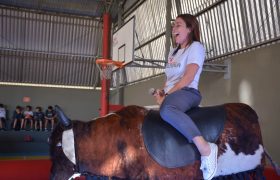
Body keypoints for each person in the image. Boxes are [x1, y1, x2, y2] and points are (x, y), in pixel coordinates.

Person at [153, 14, 217, 180]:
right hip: (172, 94)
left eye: (178, 25)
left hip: (188, 92)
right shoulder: (172, 52)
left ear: (190, 29)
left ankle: (206, 149)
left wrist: (167, 96)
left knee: (167, 110)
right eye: (173, 26)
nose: (174, 29)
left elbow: (188, 77)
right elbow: (168, 79)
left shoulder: (196, 47)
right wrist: (161, 93)